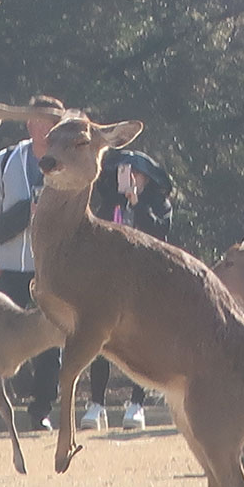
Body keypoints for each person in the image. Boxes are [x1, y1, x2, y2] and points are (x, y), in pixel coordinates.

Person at [0, 94, 66, 432]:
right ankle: (3, 404)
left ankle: (41, 408)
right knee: (7, 336)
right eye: (35, 119)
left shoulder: (65, 161)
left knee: (49, 338)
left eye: (47, 121)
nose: (40, 127)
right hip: (10, 263)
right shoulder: (7, 159)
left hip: (49, 265)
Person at [80, 148, 173, 432]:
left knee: (140, 342)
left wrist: (138, 203)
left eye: (135, 172)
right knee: (101, 342)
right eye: (123, 172)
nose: (129, 177)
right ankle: (96, 404)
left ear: (147, 177)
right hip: (108, 282)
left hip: (145, 283)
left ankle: (137, 404)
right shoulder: (108, 205)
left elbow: (158, 233)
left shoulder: (160, 204)